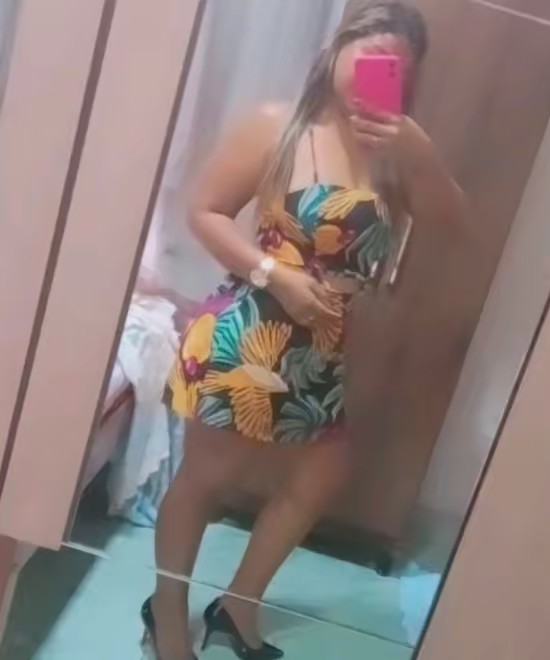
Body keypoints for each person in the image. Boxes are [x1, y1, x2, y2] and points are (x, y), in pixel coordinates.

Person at [141, 2, 463, 659]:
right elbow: (204, 211)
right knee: (206, 480)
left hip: (320, 351)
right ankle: (167, 609)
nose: (379, 69)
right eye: (369, 54)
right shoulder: (278, 125)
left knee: (320, 478)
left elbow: (450, 224)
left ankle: (238, 604)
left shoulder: (395, 154)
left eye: (396, 65)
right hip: (248, 332)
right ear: (336, 51)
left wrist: (418, 150)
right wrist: (275, 275)